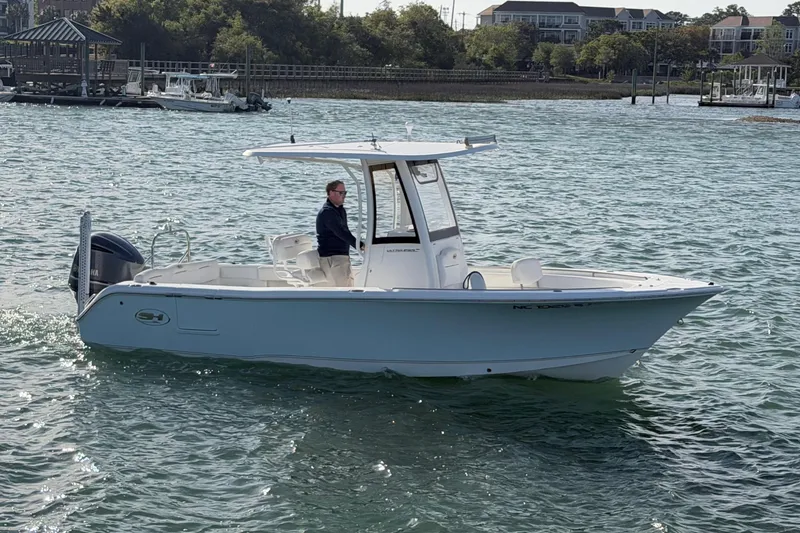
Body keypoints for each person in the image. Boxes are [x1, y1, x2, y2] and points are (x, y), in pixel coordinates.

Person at [316, 180, 364, 286]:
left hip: (341, 257)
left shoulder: (340, 211)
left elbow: (345, 232)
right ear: (331, 193)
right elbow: (341, 233)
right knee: (344, 292)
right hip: (333, 259)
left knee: (349, 288)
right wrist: (360, 245)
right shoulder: (327, 212)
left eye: (345, 193)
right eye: (341, 193)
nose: (344, 196)